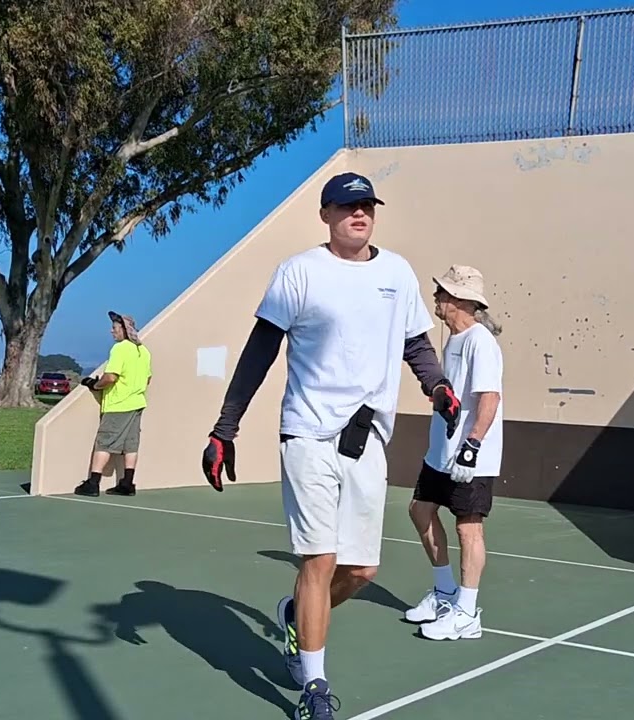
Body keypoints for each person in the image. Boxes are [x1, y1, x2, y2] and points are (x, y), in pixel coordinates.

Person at [200, 171, 460, 720]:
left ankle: (298, 616)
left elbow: (415, 343)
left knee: (361, 571)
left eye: (366, 205)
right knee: (319, 558)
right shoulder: (300, 272)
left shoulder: (396, 273)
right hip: (308, 433)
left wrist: (436, 386)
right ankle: (314, 689)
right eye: (346, 206)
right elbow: (260, 349)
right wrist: (226, 427)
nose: (358, 214)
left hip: (367, 440)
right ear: (325, 215)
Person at [403, 265, 504, 642]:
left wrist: (472, 445)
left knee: (468, 527)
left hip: (470, 455)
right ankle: (445, 593)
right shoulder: (452, 341)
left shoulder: (481, 341)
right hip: (440, 451)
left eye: (442, 293)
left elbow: (489, 398)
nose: (436, 299)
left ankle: (466, 613)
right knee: (419, 510)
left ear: (461, 299)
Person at [73, 311, 152, 497]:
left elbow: (110, 377)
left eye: (115, 328)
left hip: (118, 404)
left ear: (124, 330)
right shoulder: (143, 351)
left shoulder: (120, 349)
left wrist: (94, 384)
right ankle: (127, 483)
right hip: (137, 403)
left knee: (104, 443)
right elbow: (147, 379)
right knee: (130, 445)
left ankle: (93, 484)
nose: (111, 331)